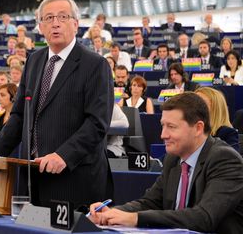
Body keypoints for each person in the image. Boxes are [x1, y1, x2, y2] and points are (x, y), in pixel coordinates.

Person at [0, 0, 114, 209]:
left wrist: (63, 155)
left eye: (63, 17)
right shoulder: (34, 61)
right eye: (48, 18)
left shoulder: (95, 65)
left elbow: (97, 123)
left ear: (75, 24)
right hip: (33, 177)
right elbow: (20, 115)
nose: (55, 23)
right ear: (40, 26)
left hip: (75, 178)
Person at [89, 92, 243, 233]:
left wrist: (135, 218)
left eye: (171, 127)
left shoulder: (225, 159)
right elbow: (150, 202)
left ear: (198, 128)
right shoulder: (173, 158)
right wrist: (112, 213)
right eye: (163, 125)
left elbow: (204, 218)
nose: (163, 135)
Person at [195, 87, 239, 152]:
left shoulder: (227, 133)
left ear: (215, 108)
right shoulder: (188, 129)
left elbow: (232, 159)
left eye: (200, 103)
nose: (194, 106)